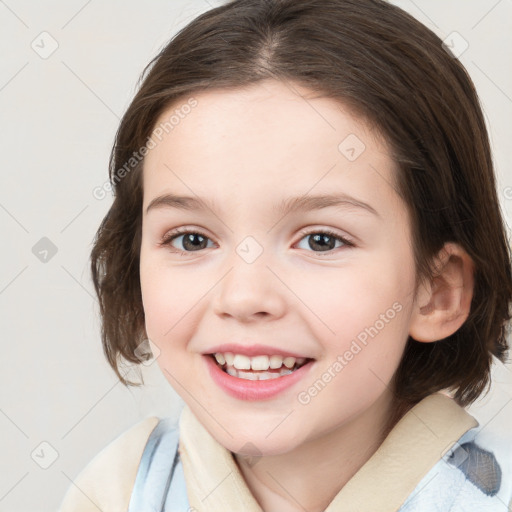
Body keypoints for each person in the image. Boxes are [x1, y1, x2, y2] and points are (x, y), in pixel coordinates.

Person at [58, 0, 512, 510]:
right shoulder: (120, 491)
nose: (244, 296)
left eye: (321, 240)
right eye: (192, 239)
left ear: (437, 291)